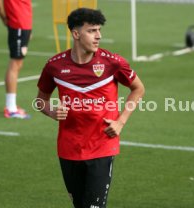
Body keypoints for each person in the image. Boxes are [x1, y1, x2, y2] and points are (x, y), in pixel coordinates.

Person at [35, 8, 145, 208]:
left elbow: (138, 89)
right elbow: (40, 100)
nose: (99, 36)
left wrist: (121, 122)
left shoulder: (113, 63)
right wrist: (52, 112)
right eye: (92, 31)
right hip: (68, 149)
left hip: (102, 146)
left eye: (99, 30)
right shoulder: (55, 66)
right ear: (76, 34)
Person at [0, 0, 32, 119]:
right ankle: (11, 108)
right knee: (15, 63)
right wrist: (3, 16)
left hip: (23, 23)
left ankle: (11, 105)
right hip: (18, 22)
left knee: (18, 64)